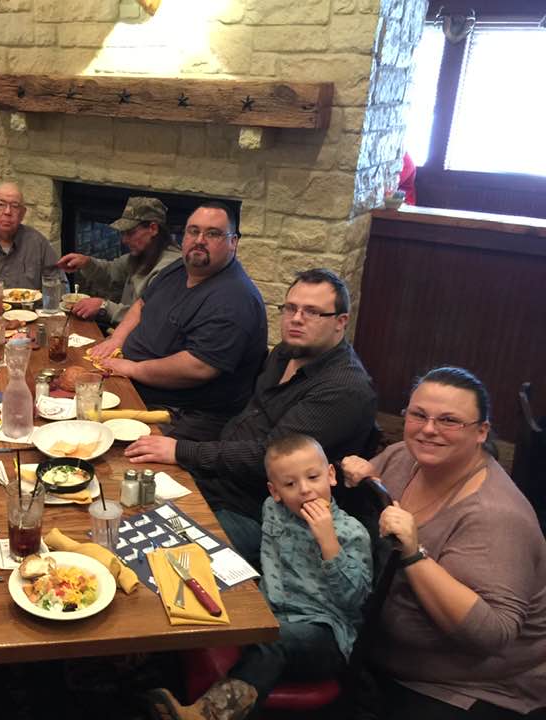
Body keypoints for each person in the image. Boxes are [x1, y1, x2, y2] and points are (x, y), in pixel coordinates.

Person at [125, 268, 377, 563]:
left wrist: (182, 450)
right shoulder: (285, 352)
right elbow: (245, 418)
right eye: (291, 308)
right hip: (220, 480)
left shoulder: (343, 388)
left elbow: (267, 458)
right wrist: (179, 438)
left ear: (340, 322)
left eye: (312, 312)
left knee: (155, 557)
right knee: (126, 495)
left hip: (263, 517)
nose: (296, 319)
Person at [341, 367, 546, 719]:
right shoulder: (404, 456)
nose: (429, 429)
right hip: (379, 653)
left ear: (481, 432)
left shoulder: (497, 516)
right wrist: (357, 475)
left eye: (449, 420)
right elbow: (372, 485)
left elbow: (494, 633)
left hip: (463, 687)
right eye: (418, 415)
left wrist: (414, 556)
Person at [146, 434, 371, 720]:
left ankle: (207, 714)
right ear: (274, 491)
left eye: (313, 477)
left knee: (273, 639)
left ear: (330, 476)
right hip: (271, 610)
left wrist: (329, 544)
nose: (304, 490)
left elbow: (353, 601)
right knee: (197, 592)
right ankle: (148, 668)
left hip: (326, 633)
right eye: (290, 484)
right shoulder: (273, 510)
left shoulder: (352, 532)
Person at [91, 201, 266, 442]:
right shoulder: (181, 267)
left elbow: (198, 367)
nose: (200, 240)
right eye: (193, 231)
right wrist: (116, 339)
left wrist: (132, 368)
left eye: (213, 233)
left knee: (93, 439)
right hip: (134, 383)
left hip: (181, 416)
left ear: (233, 243)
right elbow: (142, 303)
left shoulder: (234, 298)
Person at [57, 196, 180, 325]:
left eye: (130, 233)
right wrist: (86, 263)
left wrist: (104, 307)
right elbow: (112, 272)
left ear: (153, 229)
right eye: (123, 233)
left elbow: (150, 318)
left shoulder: (169, 270)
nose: (124, 240)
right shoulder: (144, 255)